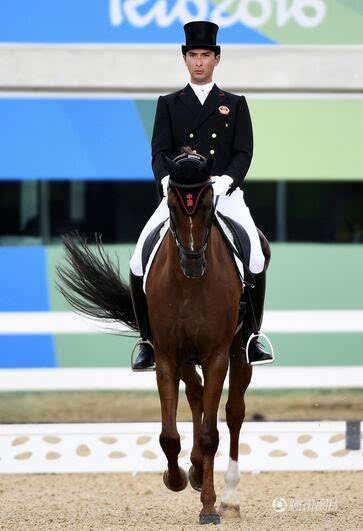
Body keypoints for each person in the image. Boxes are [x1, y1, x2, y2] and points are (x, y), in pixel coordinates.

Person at [129, 20, 273, 370]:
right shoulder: (168, 103)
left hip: (224, 194)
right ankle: (148, 341)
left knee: (255, 255)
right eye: (192, 55)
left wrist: (227, 181)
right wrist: (164, 180)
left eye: (205, 55)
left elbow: (244, 151)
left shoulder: (234, 104)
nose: (198, 61)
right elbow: (159, 151)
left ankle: (252, 336)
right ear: (185, 59)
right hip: (179, 195)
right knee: (136, 260)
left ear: (216, 59)